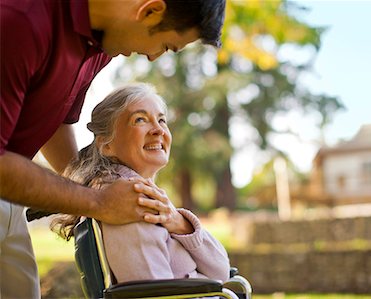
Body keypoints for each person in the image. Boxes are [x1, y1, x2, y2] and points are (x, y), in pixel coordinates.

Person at [0, 0, 225, 297]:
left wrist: (94, 183)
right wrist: (97, 201)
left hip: (11, 191)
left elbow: (53, 118)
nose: (153, 57)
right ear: (149, 11)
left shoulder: (101, 46)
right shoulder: (19, 22)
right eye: (167, 46)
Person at [52, 83, 230, 283]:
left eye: (162, 120)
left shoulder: (145, 196)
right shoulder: (131, 198)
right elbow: (153, 293)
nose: (158, 130)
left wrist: (180, 223)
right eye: (140, 119)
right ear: (107, 145)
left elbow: (222, 271)